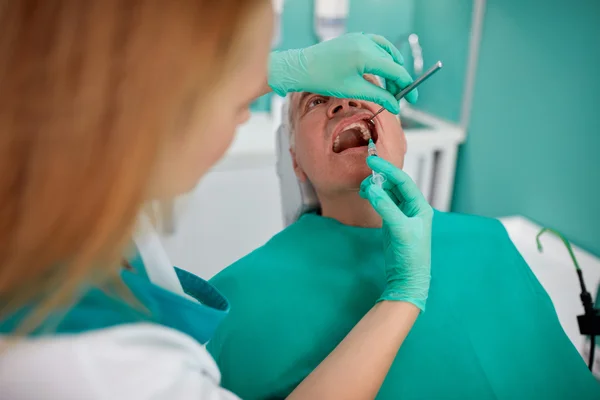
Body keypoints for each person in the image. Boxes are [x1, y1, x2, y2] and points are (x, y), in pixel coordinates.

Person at [0, 1, 431, 399]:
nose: (246, 110)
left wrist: (270, 70)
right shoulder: (99, 370)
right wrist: (403, 296)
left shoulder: (54, 181)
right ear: (294, 160)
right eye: (236, 97)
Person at [206, 83, 600, 399]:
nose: (344, 101)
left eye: (366, 86)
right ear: (295, 161)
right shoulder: (235, 298)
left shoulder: (489, 241)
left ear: (402, 135)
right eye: (317, 99)